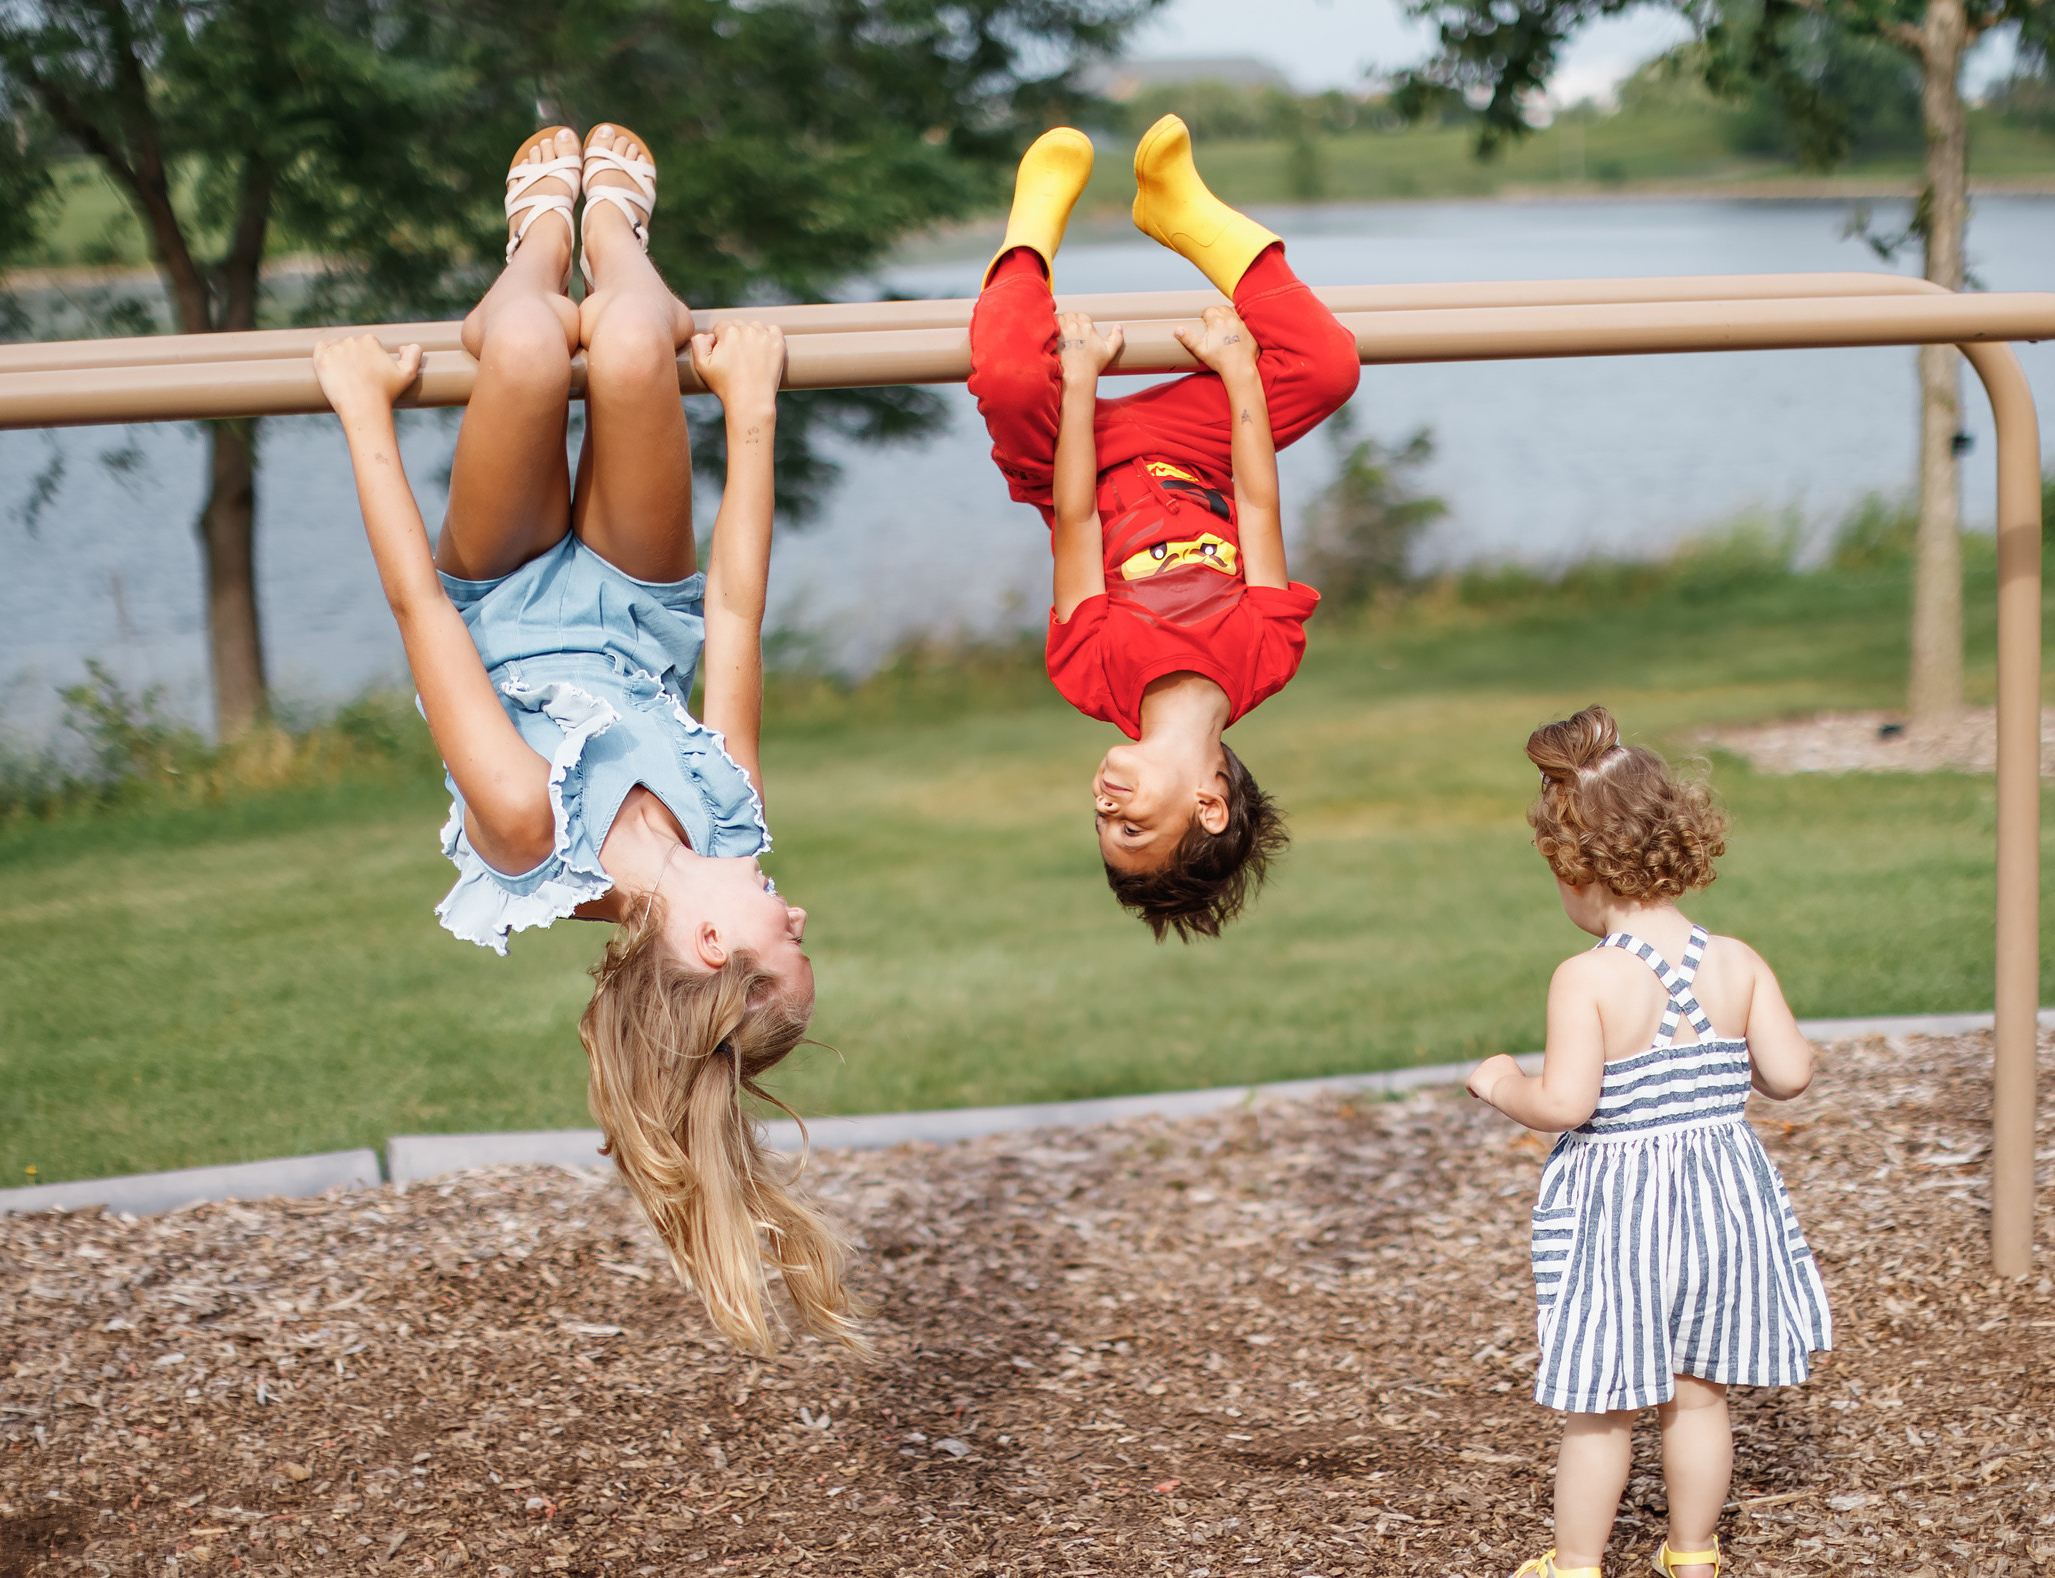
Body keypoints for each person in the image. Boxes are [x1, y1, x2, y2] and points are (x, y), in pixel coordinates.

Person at [312, 123, 859, 1354]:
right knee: (626, 340)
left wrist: (362, 413)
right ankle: (614, 225)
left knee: (520, 342)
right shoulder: (730, 822)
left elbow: (419, 612)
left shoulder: (529, 836)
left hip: (498, 593)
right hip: (633, 590)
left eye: (789, 939)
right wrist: (751, 409)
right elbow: (733, 611)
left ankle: (539, 237)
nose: (800, 912)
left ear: (712, 946)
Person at [1464, 706, 1832, 1578]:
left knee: (1602, 1400)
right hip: (1720, 1205)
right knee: (1698, 1393)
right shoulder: (1735, 961)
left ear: (1574, 867)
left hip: (1621, 1215)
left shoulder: (1587, 977)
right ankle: (1694, 1554)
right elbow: (1790, 1074)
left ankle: (1575, 1571)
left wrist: (1502, 1082)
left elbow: (1566, 1104)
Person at [967, 117, 1361, 939]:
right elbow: (1257, 502)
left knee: (1008, 376)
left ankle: (1031, 230)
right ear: (1209, 804)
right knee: (1327, 365)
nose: (1104, 805)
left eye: (1102, 824)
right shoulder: (1266, 655)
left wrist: (1078, 384)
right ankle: (1184, 212)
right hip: (1197, 450)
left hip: (1071, 458)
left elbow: (1076, 516)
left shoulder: (1092, 676)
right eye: (1133, 825)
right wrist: (1238, 368)